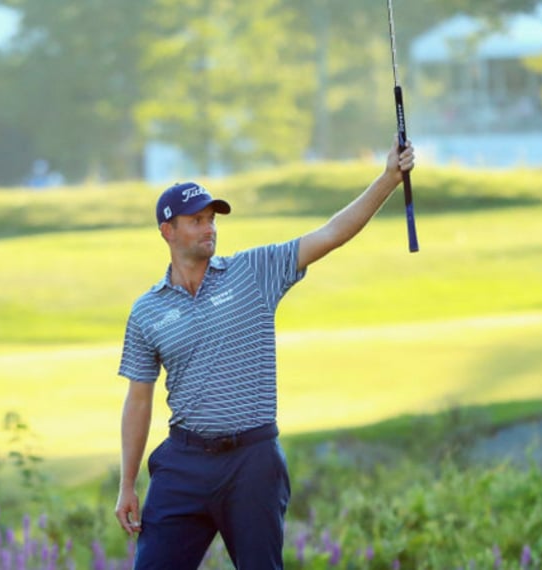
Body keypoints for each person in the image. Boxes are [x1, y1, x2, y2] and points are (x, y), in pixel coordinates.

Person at [114, 138, 416, 568]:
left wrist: (388, 178)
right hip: (183, 463)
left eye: (211, 219)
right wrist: (127, 483)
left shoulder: (253, 272)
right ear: (168, 231)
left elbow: (331, 234)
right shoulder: (148, 310)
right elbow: (139, 400)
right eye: (197, 221)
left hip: (252, 463)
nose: (209, 228)